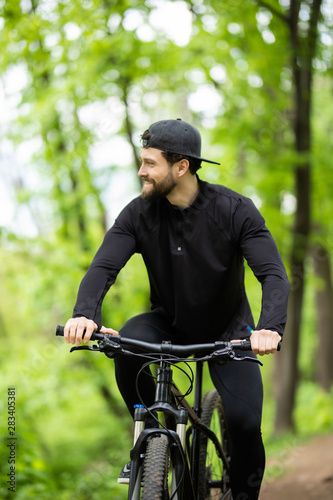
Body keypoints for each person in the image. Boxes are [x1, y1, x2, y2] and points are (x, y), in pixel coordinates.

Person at [64, 118, 290, 499]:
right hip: (167, 323)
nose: (142, 171)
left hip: (230, 333)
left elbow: (272, 274)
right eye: (142, 162)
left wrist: (270, 327)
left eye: (151, 163)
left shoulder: (235, 210)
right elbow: (103, 267)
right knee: (126, 345)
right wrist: (85, 313)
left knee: (244, 424)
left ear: (181, 166)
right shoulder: (137, 214)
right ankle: (152, 432)